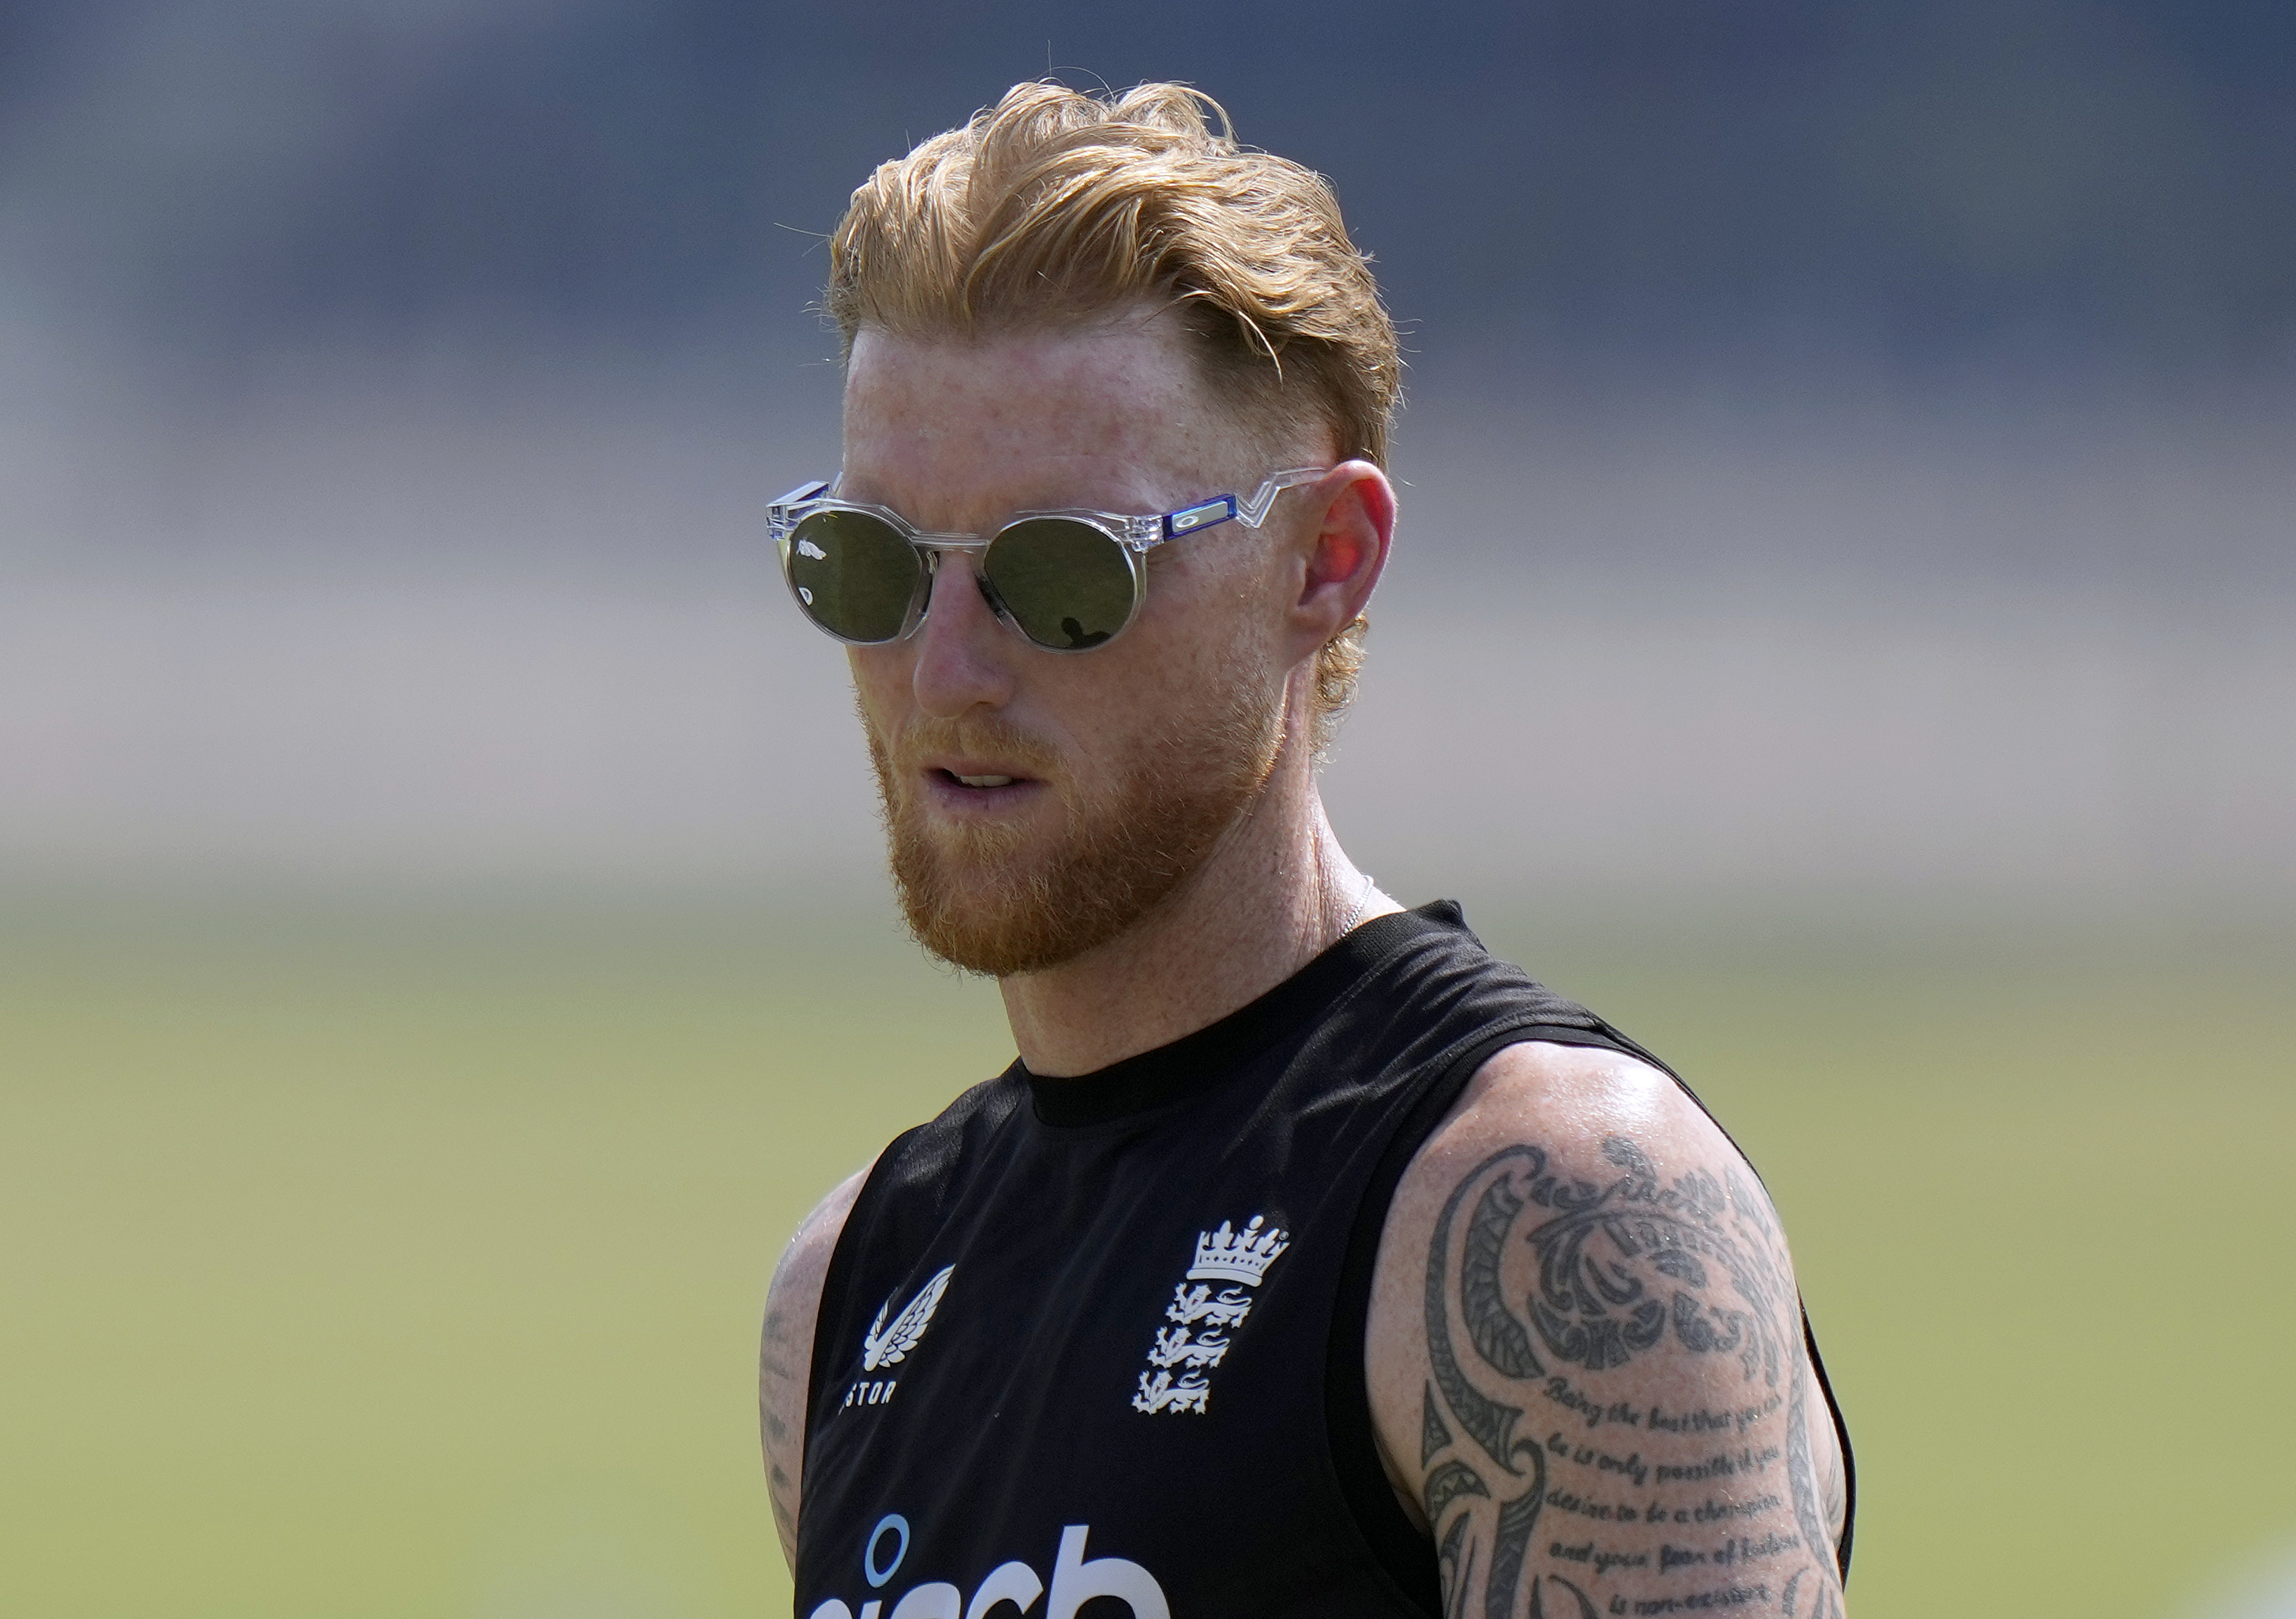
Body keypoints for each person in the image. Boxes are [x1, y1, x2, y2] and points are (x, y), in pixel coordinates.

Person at [757, 80, 1852, 1619]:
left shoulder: (1551, 1215)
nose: (945, 671)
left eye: (1062, 571)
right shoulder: (848, 1289)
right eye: (867, 562)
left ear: (1323, 561)